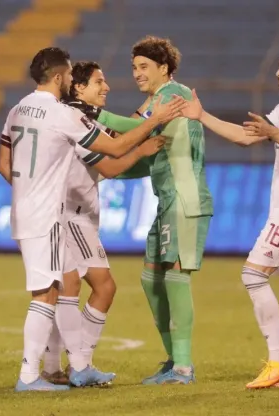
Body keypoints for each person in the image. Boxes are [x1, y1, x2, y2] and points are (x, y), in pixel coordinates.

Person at [2, 47, 185, 392]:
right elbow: (114, 156)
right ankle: (34, 374)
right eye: (72, 77)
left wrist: (29, 187)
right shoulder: (64, 115)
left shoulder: (17, 109)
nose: (72, 82)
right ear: (60, 77)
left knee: (64, 288)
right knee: (49, 293)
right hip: (56, 215)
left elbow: (3, 163)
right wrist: (154, 123)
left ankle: (74, 366)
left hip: (32, 209)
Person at [179, 44, 279, 389]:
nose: (278, 72)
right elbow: (245, 138)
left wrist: (274, 133)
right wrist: (201, 116)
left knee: (253, 274)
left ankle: (278, 360)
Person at [71, 35, 213, 385]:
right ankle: (173, 360)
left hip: (185, 197)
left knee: (176, 279)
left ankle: (183, 367)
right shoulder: (155, 103)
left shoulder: (173, 95)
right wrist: (108, 169)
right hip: (166, 201)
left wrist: (96, 113)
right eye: (134, 67)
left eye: (144, 66)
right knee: (151, 281)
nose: (136, 73)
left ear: (164, 68)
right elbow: (144, 150)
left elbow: (138, 129)